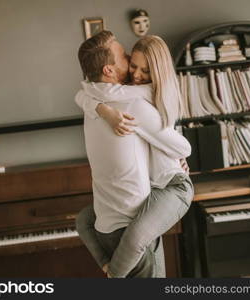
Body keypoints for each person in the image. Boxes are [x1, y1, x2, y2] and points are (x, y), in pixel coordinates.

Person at [75, 31, 194, 278]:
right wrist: (103, 110)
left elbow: (85, 93)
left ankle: (113, 274)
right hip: (145, 199)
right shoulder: (123, 104)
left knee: (130, 234)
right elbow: (86, 95)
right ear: (109, 70)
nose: (135, 73)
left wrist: (101, 109)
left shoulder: (100, 102)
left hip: (167, 185)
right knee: (87, 219)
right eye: (126, 58)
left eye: (145, 70)